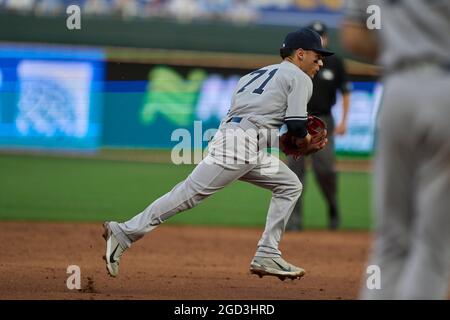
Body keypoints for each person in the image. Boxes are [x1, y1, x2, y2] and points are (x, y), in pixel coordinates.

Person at [102, 27, 333, 281]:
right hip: (240, 146)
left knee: (289, 184)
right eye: (316, 56)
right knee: (188, 194)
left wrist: (282, 140)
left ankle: (267, 252)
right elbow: (297, 126)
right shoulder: (300, 78)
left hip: (238, 140)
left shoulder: (253, 75)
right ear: (300, 54)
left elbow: (254, 120)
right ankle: (124, 232)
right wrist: (306, 141)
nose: (320, 62)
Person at [341, 0, 450, 299]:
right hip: (445, 88)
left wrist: (403, 45)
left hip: (397, 86)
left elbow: (353, 35)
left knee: (390, 239)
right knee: (432, 243)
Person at [286, 21, 352, 231]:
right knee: (293, 173)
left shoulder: (334, 63)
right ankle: (294, 221)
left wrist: (344, 121)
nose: (320, 39)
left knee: (325, 169)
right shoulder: (295, 65)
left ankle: (332, 206)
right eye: (316, 36)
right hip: (297, 118)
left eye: (322, 35)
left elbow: (346, 92)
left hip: (323, 121)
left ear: (327, 38)